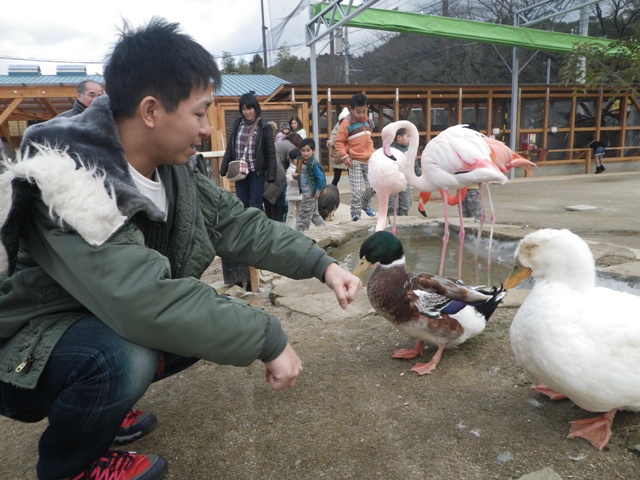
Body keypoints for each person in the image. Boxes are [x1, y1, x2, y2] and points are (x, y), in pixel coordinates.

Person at [0, 18, 361, 480]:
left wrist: (322, 265)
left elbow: (236, 224)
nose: (207, 130)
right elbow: (143, 300)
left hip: (88, 319)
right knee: (125, 356)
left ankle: (101, 412)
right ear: (151, 111)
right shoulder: (67, 182)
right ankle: (70, 466)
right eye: (199, 113)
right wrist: (267, 336)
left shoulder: (169, 169)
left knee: (188, 331)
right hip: (24, 349)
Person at [220, 92, 276, 211]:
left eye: (250, 108)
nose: (247, 112)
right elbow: (231, 147)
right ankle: (245, 228)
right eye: (244, 109)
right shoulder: (237, 124)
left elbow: (270, 152)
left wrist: (271, 174)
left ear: (255, 108)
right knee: (241, 203)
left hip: (256, 171)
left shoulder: (264, 126)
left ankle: (259, 228)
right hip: (240, 171)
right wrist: (223, 168)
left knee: (256, 203)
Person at [334, 93, 377, 222]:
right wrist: (345, 156)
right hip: (354, 160)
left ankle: (364, 204)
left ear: (368, 107)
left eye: (364, 111)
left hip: (369, 159)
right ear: (351, 109)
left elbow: (368, 139)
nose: (361, 114)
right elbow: (338, 142)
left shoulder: (369, 122)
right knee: (356, 189)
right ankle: (355, 212)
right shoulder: (346, 124)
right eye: (358, 112)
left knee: (373, 186)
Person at [264, 132, 302, 222]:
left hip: (267, 175)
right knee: (278, 204)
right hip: (277, 176)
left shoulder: (280, 143)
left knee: (268, 205)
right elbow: (293, 164)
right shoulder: (291, 147)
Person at [296, 138, 326, 232]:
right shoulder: (301, 161)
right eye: (303, 151)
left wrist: (317, 191)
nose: (305, 153)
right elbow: (301, 175)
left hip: (310, 193)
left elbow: (320, 178)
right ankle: (325, 230)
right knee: (313, 214)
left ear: (313, 151)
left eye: (308, 150)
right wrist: (295, 176)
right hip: (305, 192)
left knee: (303, 214)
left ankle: (301, 233)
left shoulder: (313, 163)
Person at [386, 127, 412, 217]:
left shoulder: (409, 150)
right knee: (392, 205)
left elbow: (414, 164)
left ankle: (403, 222)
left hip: (405, 180)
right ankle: (390, 221)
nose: (410, 139)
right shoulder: (390, 150)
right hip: (392, 180)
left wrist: (419, 176)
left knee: (405, 204)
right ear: (399, 138)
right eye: (408, 136)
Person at [326, 107, 349, 187]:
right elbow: (333, 135)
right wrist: (330, 143)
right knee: (336, 177)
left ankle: (355, 191)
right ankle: (333, 189)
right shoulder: (337, 127)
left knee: (352, 176)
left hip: (350, 154)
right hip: (339, 154)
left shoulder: (352, 126)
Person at [285, 148, 302, 229]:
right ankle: (289, 230)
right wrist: (298, 178)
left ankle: (299, 230)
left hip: (300, 195)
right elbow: (291, 181)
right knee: (291, 214)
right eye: (296, 159)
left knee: (301, 213)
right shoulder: (289, 170)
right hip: (292, 195)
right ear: (291, 160)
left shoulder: (303, 169)